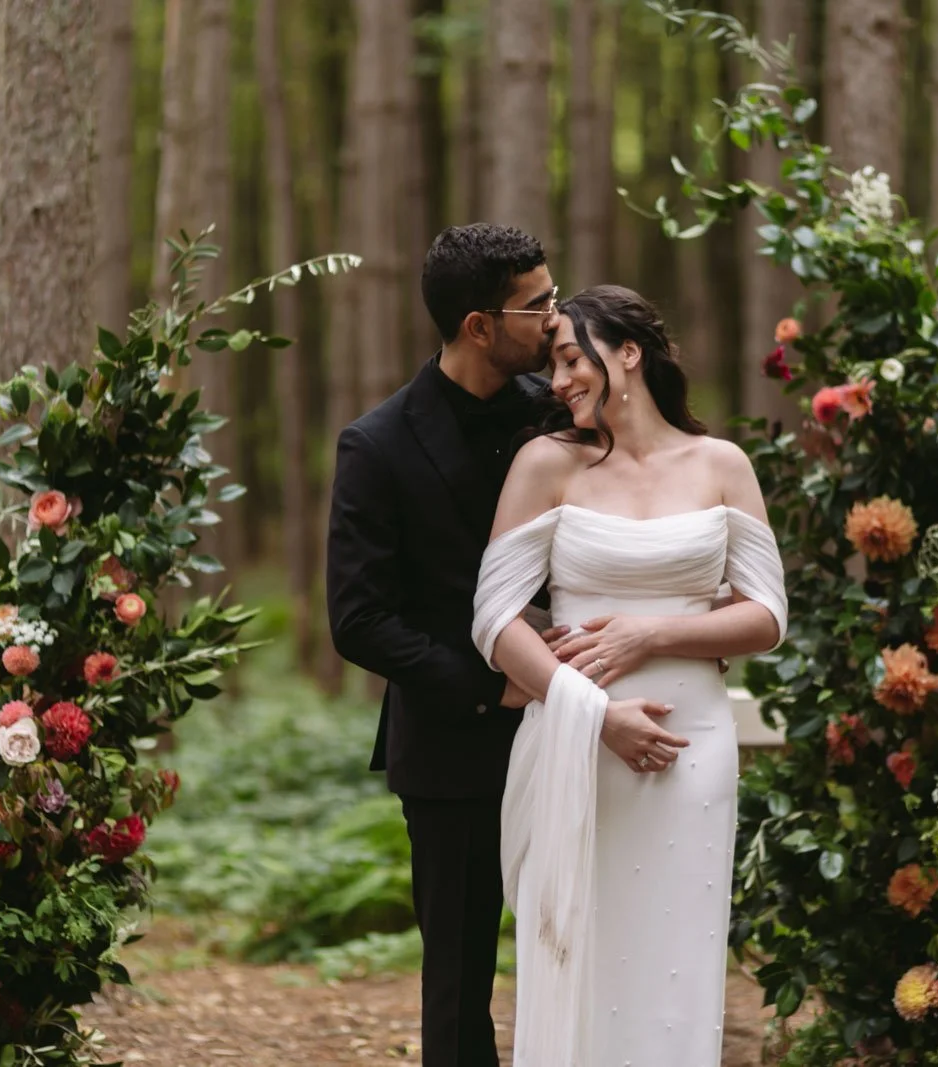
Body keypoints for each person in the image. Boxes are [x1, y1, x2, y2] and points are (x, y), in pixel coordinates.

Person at [327, 226, 685, 1066]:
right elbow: (360, 619)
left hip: (597, 726)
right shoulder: (376, 445)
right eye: (539, 304)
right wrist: (497, 687)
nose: (556, 320)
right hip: (455, 746)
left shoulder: (566, 410)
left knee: (601, 946)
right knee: (458, 980)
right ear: (479, 324)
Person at [470, 285, 788, 1065]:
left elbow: (768, 615)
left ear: (629, 353)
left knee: (676, 960)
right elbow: (494, 620)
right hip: (582, 745)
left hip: (694, 750)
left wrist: (653, 633)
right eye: (552, 364)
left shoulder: (721, 464)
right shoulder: (547, 464)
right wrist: (592, 711)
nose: (559, 379)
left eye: (572, 356)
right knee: (584, 954)